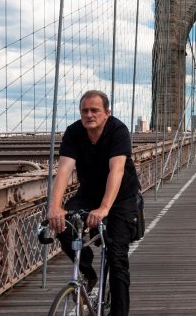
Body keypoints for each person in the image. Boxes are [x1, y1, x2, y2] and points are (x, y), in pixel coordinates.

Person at [47, 90, 141, 316]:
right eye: (84, 111)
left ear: (107, 113)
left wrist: (104, 208)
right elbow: (64, 170)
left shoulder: (118, 131)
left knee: (117, 258)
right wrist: (54, 207)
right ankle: (88, 270)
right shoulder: (73, 132)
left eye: (94, 110)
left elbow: (116, 170)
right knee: (62, 226)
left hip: (121, 198)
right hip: (89, 193)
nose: (89, 115)